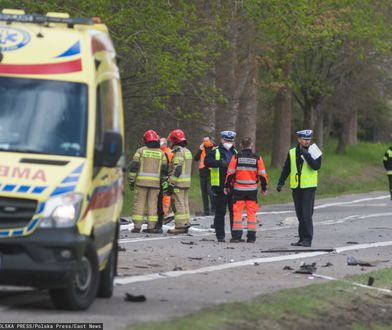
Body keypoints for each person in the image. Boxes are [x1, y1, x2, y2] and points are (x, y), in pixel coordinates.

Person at [277, 129, 322, 247]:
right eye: (304, 139)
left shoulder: (314, 150)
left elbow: (316, 166)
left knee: (306, 213)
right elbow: (287, 168)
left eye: (308, 139)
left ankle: (308, 239)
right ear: (299, 139)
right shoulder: (292, 152)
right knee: (300, 214)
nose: (307, 141)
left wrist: (307, 156)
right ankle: (301, 238)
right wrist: (281, 182)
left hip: (309, 186)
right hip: (296, 186)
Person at [224, 137, 268, 243]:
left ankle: (236, 237)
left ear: (241, 145)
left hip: (238, 189)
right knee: (251, 213)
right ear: (251, 145)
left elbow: (230, 173)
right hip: (252, 190)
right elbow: (262, 175)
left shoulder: (236, 157)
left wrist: (227, 186)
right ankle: (251, 237)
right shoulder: (257, 158)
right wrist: (264, 187)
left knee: (237, 212)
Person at [128, 130, 168, 233]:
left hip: (141, 183)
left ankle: (137, 226)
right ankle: (151, 227)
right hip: (155, 185)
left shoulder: (140, 151)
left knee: (139, 203)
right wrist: (164, 183)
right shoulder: (161, 153)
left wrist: (131, 181)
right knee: (153, 205)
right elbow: (164, 171)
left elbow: (134, 167)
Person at [205, 130, 237, 242]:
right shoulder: (215, 151)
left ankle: (235, 236)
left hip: (233, 188)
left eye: (230, 140)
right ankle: (220, 236)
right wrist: (221, 163)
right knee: (220, 213)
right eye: (226, 140)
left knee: (234, 213)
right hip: (219, 187)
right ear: (222, 140)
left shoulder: (236, 152)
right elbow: (207, 162)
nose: (228, 142)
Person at [166, 129, 193, 234]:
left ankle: (180, 226)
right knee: (184, 203)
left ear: (175, 140)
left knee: (178, 204)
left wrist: (171, 182)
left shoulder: (178, 153)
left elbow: (177, 169)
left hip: (179, 183)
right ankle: (185, 223)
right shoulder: (187, 151)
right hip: (186, 182)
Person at [194, 136, 215, 216]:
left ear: (210, 141)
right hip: (202, 172)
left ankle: (213, 209)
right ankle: (206, 210)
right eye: (203, 141)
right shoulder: (202, 149)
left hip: (210, 172)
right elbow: (196, 158)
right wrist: (200, 149)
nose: (205, 142)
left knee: (210, 191)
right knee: (204, 192)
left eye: (206, 140)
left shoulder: (214, 148)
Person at [155, 138, 174, 232]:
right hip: (161, 176)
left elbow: (169, 165)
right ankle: (161, 213)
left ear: (165, 144)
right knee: (160, 196)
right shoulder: (160, 152)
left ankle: (165, 212)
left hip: (166, 176)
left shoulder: (169, 152)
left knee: (166, 196)